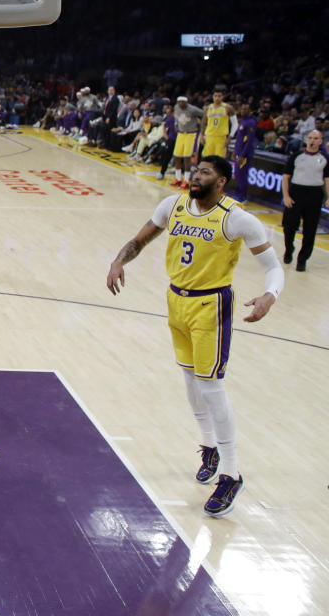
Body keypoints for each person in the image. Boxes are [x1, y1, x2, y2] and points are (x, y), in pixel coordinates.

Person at [106, 155, 285, 518]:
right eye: (195, 170)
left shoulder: (238, 219)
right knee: (190, 378)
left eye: (205, 172)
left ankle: (231, 472)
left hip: (211, 306)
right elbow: (139, 241)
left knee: (212, 385)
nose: (196, 175)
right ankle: (209, 447)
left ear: (221, 181)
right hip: (176, 300)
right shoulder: (173, 205)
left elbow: (273, 268)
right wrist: (118, 260)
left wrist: (269, 295)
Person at [281, 130, 329, 272]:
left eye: (316, 138)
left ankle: (302, 259)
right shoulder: (296, 156)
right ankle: (289, 249)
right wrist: (286, 196)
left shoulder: (325, 159)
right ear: (306, 139)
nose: (312, 140)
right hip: (296, 193)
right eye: (310, 138)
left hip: (314, 195)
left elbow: (327, 180)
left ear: (321, 141)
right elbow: (285, 177)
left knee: (310, 229)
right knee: (289, 226)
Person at [170, 96, 204, 189]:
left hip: (191, 135)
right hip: (180, 134)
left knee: (187, 158)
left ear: (186, 102)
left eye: (182, 102)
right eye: (179, 102)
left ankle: (186, 181)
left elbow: (204, 115)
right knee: (176, 156)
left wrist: (201, 127)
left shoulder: (193, 109)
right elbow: (176, 117)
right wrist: (176, 124)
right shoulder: (176, 108)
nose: (180, 104)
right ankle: (178, 178)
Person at [200, 87, 236, 159]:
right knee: (207, 159)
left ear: (222, 97)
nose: (217, 98)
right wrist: (201, 135)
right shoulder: (207, 108)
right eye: (215, 96)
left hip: (221, 137)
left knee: (219, 160)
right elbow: (203, 123)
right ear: (213, 97)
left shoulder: (228, 108)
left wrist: (230, 137)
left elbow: (235, 124)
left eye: (219, 96)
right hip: (209, 136)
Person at [232, 104, 258, 201]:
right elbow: (239, 139)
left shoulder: (251, 122)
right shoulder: (243, 120)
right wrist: (235, 151)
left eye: (245, 109)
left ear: (250, 110)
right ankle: (238, 193)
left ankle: (242, 196)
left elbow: (249, 140)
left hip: (245, 154)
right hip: (239, 152)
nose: (243, 110)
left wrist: (242, 155)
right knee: (237, 174)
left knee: (242, 174)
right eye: (242, 108)